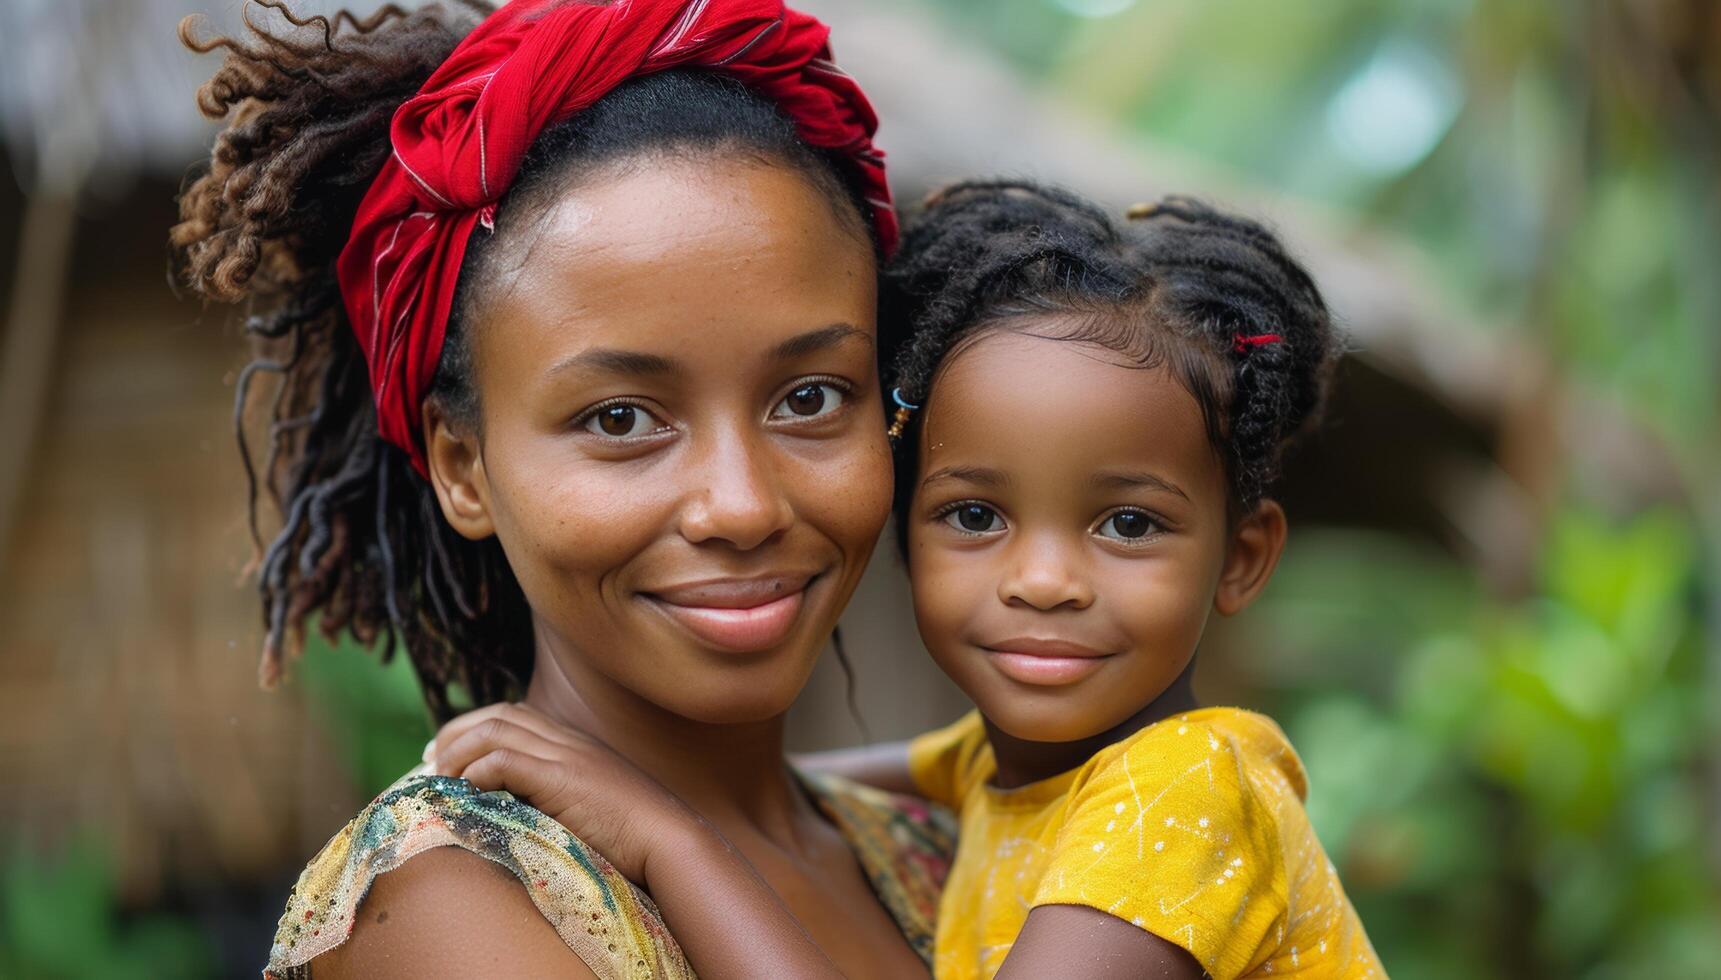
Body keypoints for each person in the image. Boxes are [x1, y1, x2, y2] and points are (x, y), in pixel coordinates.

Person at [171, 2, 950, 977]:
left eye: (809, 396)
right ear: (464, 468)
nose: (743, 504)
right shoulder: (453, 904)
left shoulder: (940, 851)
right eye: (621, 418)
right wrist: (676, 845)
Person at [439, 181, 1387, 978]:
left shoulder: (1182, 793)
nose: (1045, 581)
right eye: (975, 517)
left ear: (1242, 557)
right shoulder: (1002, 768)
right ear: (904, 530)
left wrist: (671, 838)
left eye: (1127, 524)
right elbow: (814, 782)